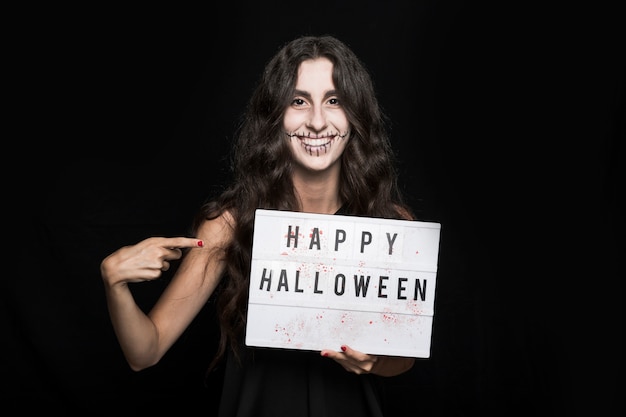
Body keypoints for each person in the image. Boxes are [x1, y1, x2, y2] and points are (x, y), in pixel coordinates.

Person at [101, 34, 418, 417]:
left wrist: (374, 363)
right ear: (275, 116)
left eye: (334, 101)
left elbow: (405, 359)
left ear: (355, 117)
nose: (317, 121)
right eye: (298, 101)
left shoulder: (390, 226)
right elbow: (144, 353)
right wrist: (114, 282)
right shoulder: (231, 225)